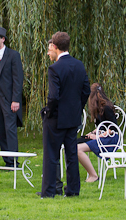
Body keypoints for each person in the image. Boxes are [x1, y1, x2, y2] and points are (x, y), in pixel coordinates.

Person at [39, 31, 91, 198]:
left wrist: (48, 111)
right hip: (73, 118)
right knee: (72, 155)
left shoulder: (55, 68)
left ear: (55, 47)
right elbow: (86, 91)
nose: (49, 52)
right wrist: (76, 108)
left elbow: (53, 96)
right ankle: (73, 190)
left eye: (50, 48)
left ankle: (48, 192)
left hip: (55, 119)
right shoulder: (79, 65)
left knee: (51, 155)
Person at [0, 25, 24, 168]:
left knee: (10, 130)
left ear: (3, 39)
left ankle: (14, 161)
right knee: (1, 130)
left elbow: (17, 79)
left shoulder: (13, 55)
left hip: (9, 100)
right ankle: (7, 161)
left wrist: (15, 100)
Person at [77, 83, 119, 184]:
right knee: (74, 143)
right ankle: (75, 176)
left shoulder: (107, 108)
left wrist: (97, 137)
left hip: (111, 139)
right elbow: (103, 126)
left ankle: (93, 175)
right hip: (103, 137)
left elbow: (112, 129)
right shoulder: (99, 109)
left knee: (77, 149)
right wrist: (94, 133)